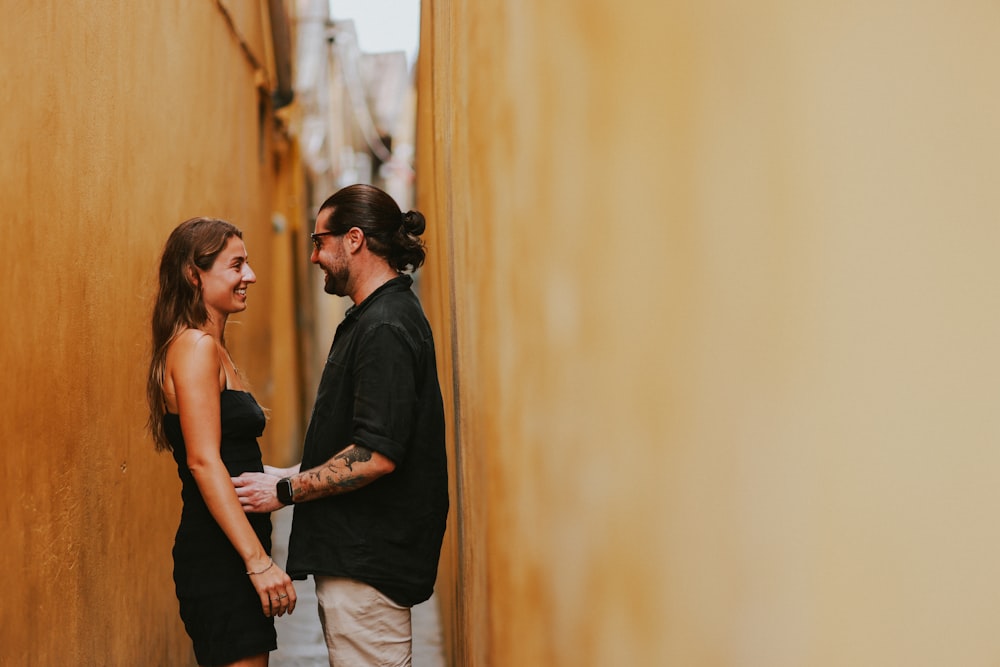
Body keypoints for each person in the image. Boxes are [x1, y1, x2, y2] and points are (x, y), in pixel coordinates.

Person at [233, 184, 449, 666]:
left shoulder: (385, 326)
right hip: (361, 559)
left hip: (367, 564)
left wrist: (285, 492)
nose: (313, 257)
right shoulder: (376, 317)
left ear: (354, 239)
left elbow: (374, 455)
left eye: (319, 241)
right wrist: (287, 473)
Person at [146, 217, 297, 667]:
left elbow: (233, 462)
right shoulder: (195, 348)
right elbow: (204, 463)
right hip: (220, 554)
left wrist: (297, 479)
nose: (249, 276)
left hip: (231, 549)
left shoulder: (213, 348)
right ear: (195, 274)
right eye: (236, 266)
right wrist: (258, 562)